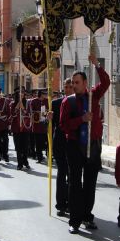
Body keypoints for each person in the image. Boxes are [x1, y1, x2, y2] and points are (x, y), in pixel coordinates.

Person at [60, 54, 110, 234]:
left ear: (85, 82)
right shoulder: (68, 101)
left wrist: (97, 65)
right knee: (75, 183)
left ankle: (87, 216)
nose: (74, 85)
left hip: (93, 145)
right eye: (72, 82)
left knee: (90, 184)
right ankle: (74, 220)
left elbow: (105, 83)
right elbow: (63, 125)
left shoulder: (93, 96)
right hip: (74, 146)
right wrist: (81, 119)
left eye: (77, 82)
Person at [52, 79, 73, 216]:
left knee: (73, 175)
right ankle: (60, 204)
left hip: (73, 142)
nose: (68, 89)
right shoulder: (55, 103)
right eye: (66, 87)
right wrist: (48, 119)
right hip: (59, 142)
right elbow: (49, 125)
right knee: (62, 172)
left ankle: (72, 203)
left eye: (71, 87)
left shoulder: (79, 102)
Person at [10, 88, 31, 170]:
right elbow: (11, 115)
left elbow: (29, 114)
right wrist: (17, 107)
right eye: (19, 93)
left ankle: (25, 161)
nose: (21, 95)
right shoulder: (12, 103)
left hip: (25, 127)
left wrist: (23, 109)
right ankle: (19, 164)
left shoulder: (28, 103)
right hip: (16, 128)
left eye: (22, 93)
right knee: (18, 147)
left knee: (25, 147)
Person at [30, 89, 49, 163]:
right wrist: (39, 113)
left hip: (44, 124)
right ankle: (39, 157)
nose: (46, 95)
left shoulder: (47, 101)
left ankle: (46, 154)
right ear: (41, 94)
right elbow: (32, 111)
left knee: (44, 141)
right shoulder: (34, 101)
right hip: (37, 124)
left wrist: (45, 113)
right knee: (38, 142)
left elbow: (49, 109)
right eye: (45, 94)